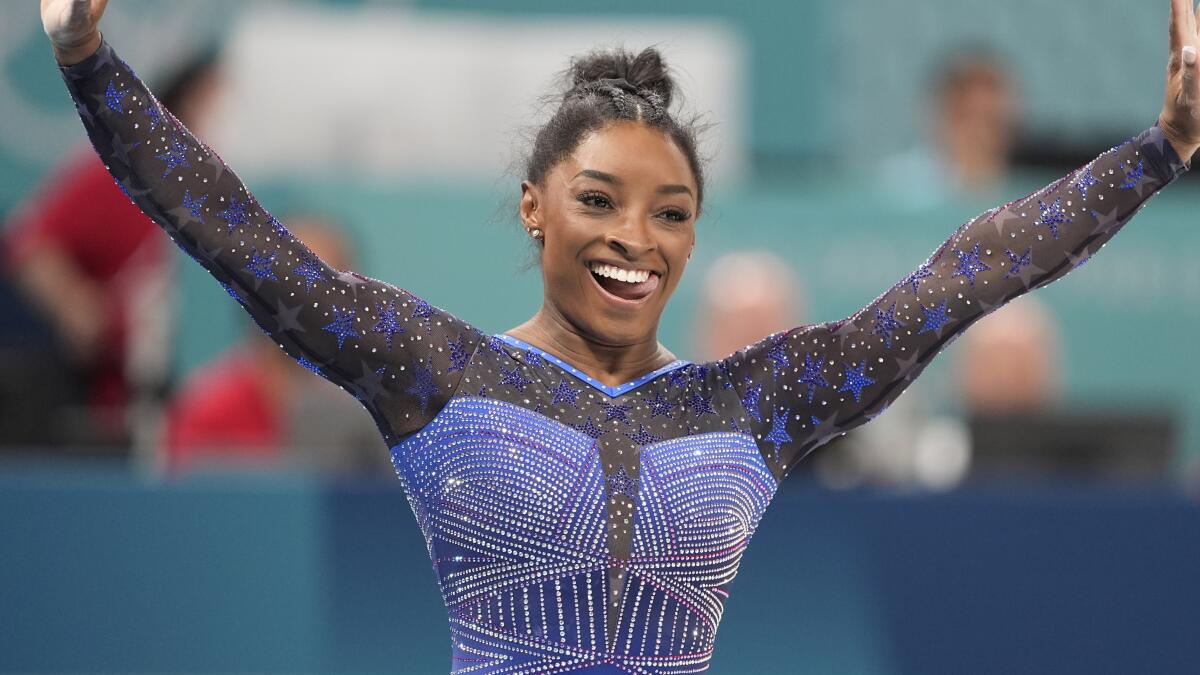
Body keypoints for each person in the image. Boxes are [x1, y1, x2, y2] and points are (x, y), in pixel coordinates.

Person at [40, 0, 1200, 671]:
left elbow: (963, 279)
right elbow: (244, 245)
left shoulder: (761, 400)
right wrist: (92, 69)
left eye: (672, 212)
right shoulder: (441, 373)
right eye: (598, 200)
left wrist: (1156, 154)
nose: (633, 238)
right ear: (534, 205)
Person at [2, 40, 223, 447]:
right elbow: (30, 245)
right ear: (187, 103)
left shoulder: (244, 206)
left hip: (216, 403)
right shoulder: (125, 176)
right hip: (124, 409)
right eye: (218, 99)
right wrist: (78, 307)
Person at [164, 216, 389, 476]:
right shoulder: (208, 411)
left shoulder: (380, 412)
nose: (307, 303)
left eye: (325, 287)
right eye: (290, 282)